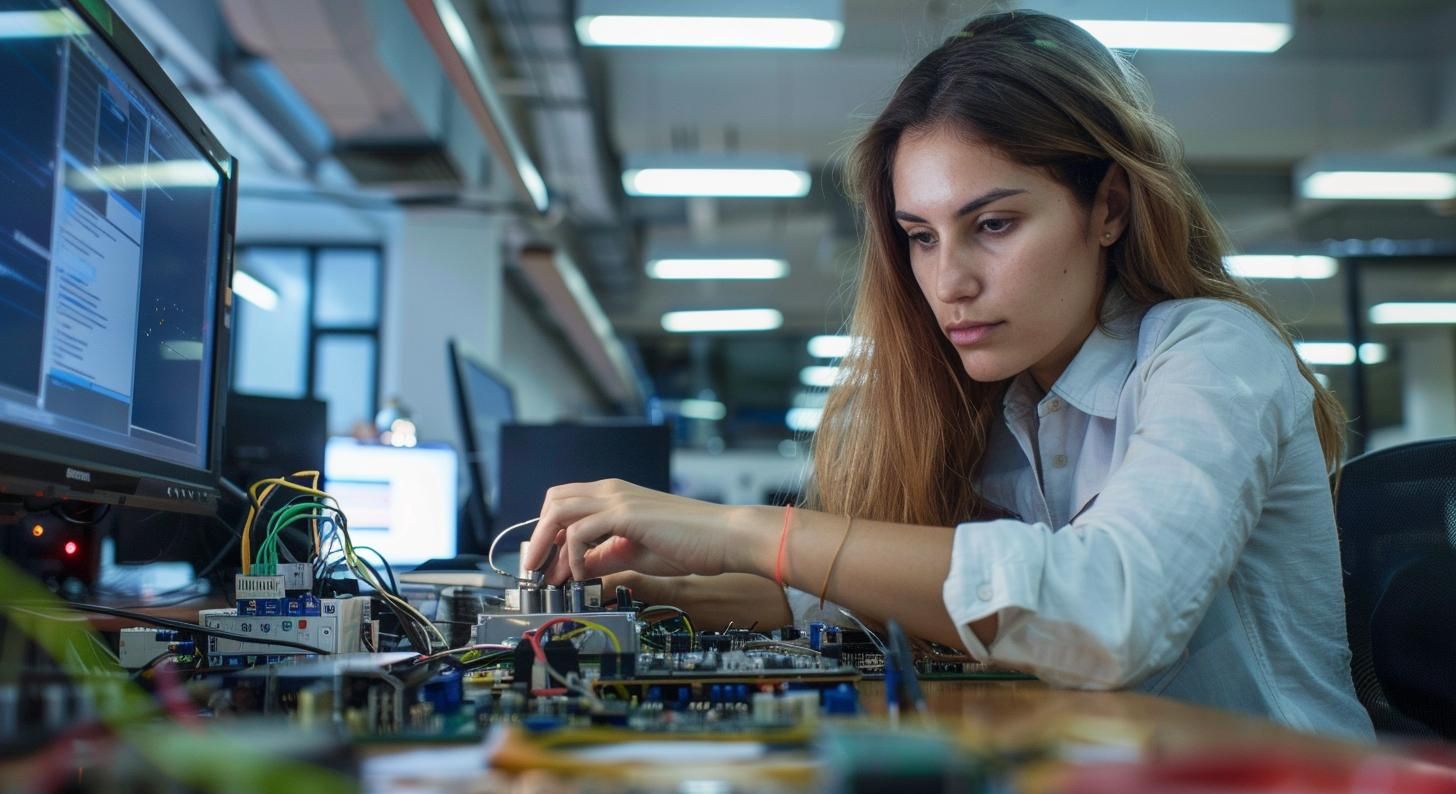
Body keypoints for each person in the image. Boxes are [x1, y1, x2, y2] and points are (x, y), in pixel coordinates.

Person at [523, 10, 1373, 740]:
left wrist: (753, 533)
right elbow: (947, 591)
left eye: (993, 224)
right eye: (920, 236)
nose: (948, 281)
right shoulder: (1007, 402)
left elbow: (1114, 611)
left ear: (1109, 207)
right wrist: (701, 594)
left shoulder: (1213, 353)